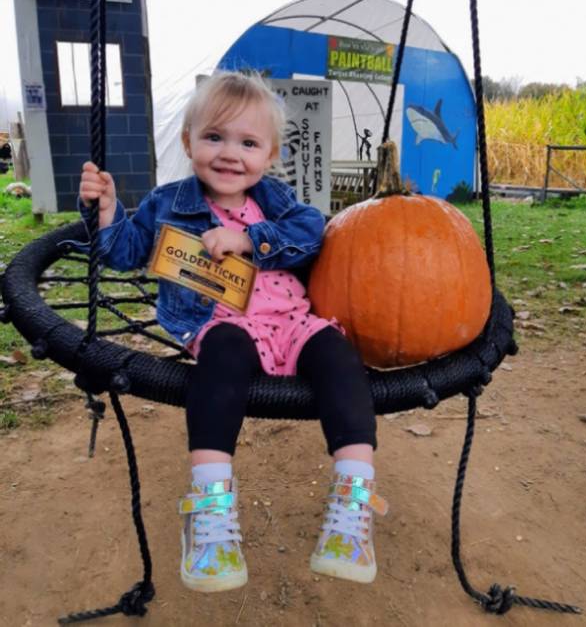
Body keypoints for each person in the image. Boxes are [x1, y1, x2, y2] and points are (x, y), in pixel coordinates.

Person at [78, 72, 383, 592]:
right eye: (214, 137)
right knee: (220, 360)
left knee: (339, 358)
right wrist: (106, 213)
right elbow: (126, 252)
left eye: (247, 143)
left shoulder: (277, 201)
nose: (229, 154)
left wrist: (248, 239)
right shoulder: (169, 202)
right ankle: (211, 516)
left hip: (292, 322)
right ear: (188, 142)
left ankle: (352, 513)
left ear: (268, 155)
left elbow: (312, 232)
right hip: (220, 324)